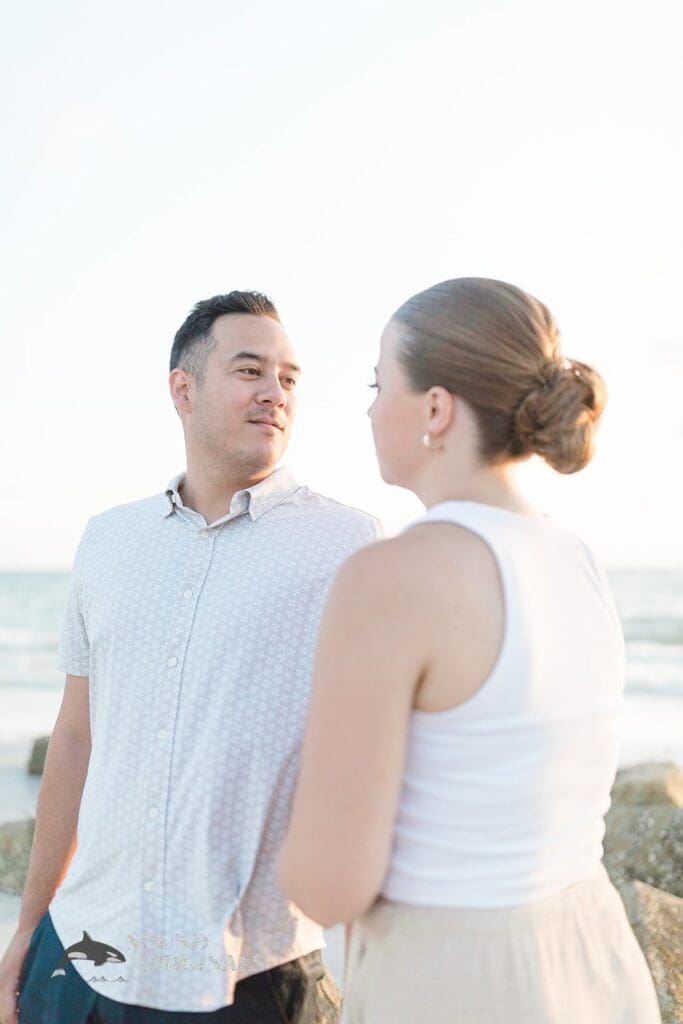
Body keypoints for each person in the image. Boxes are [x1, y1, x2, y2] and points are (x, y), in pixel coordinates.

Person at [276, 277, 662, 1024]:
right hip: (589, 953)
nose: (366, 407)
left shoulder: (393, 575)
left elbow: (328, 887)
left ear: (434, 408)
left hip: (455, 976)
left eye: (377, 381)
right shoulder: (574, 557)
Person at [0, 290, 382, 1024]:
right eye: (249, 370)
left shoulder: (347, 547)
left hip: (247, 970)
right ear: (184, 388)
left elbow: (380, 765)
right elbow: (76, 739)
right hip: (79, 949)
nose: (275, 392)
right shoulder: (108, 541)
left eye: (289, 377)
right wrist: (28, 926)